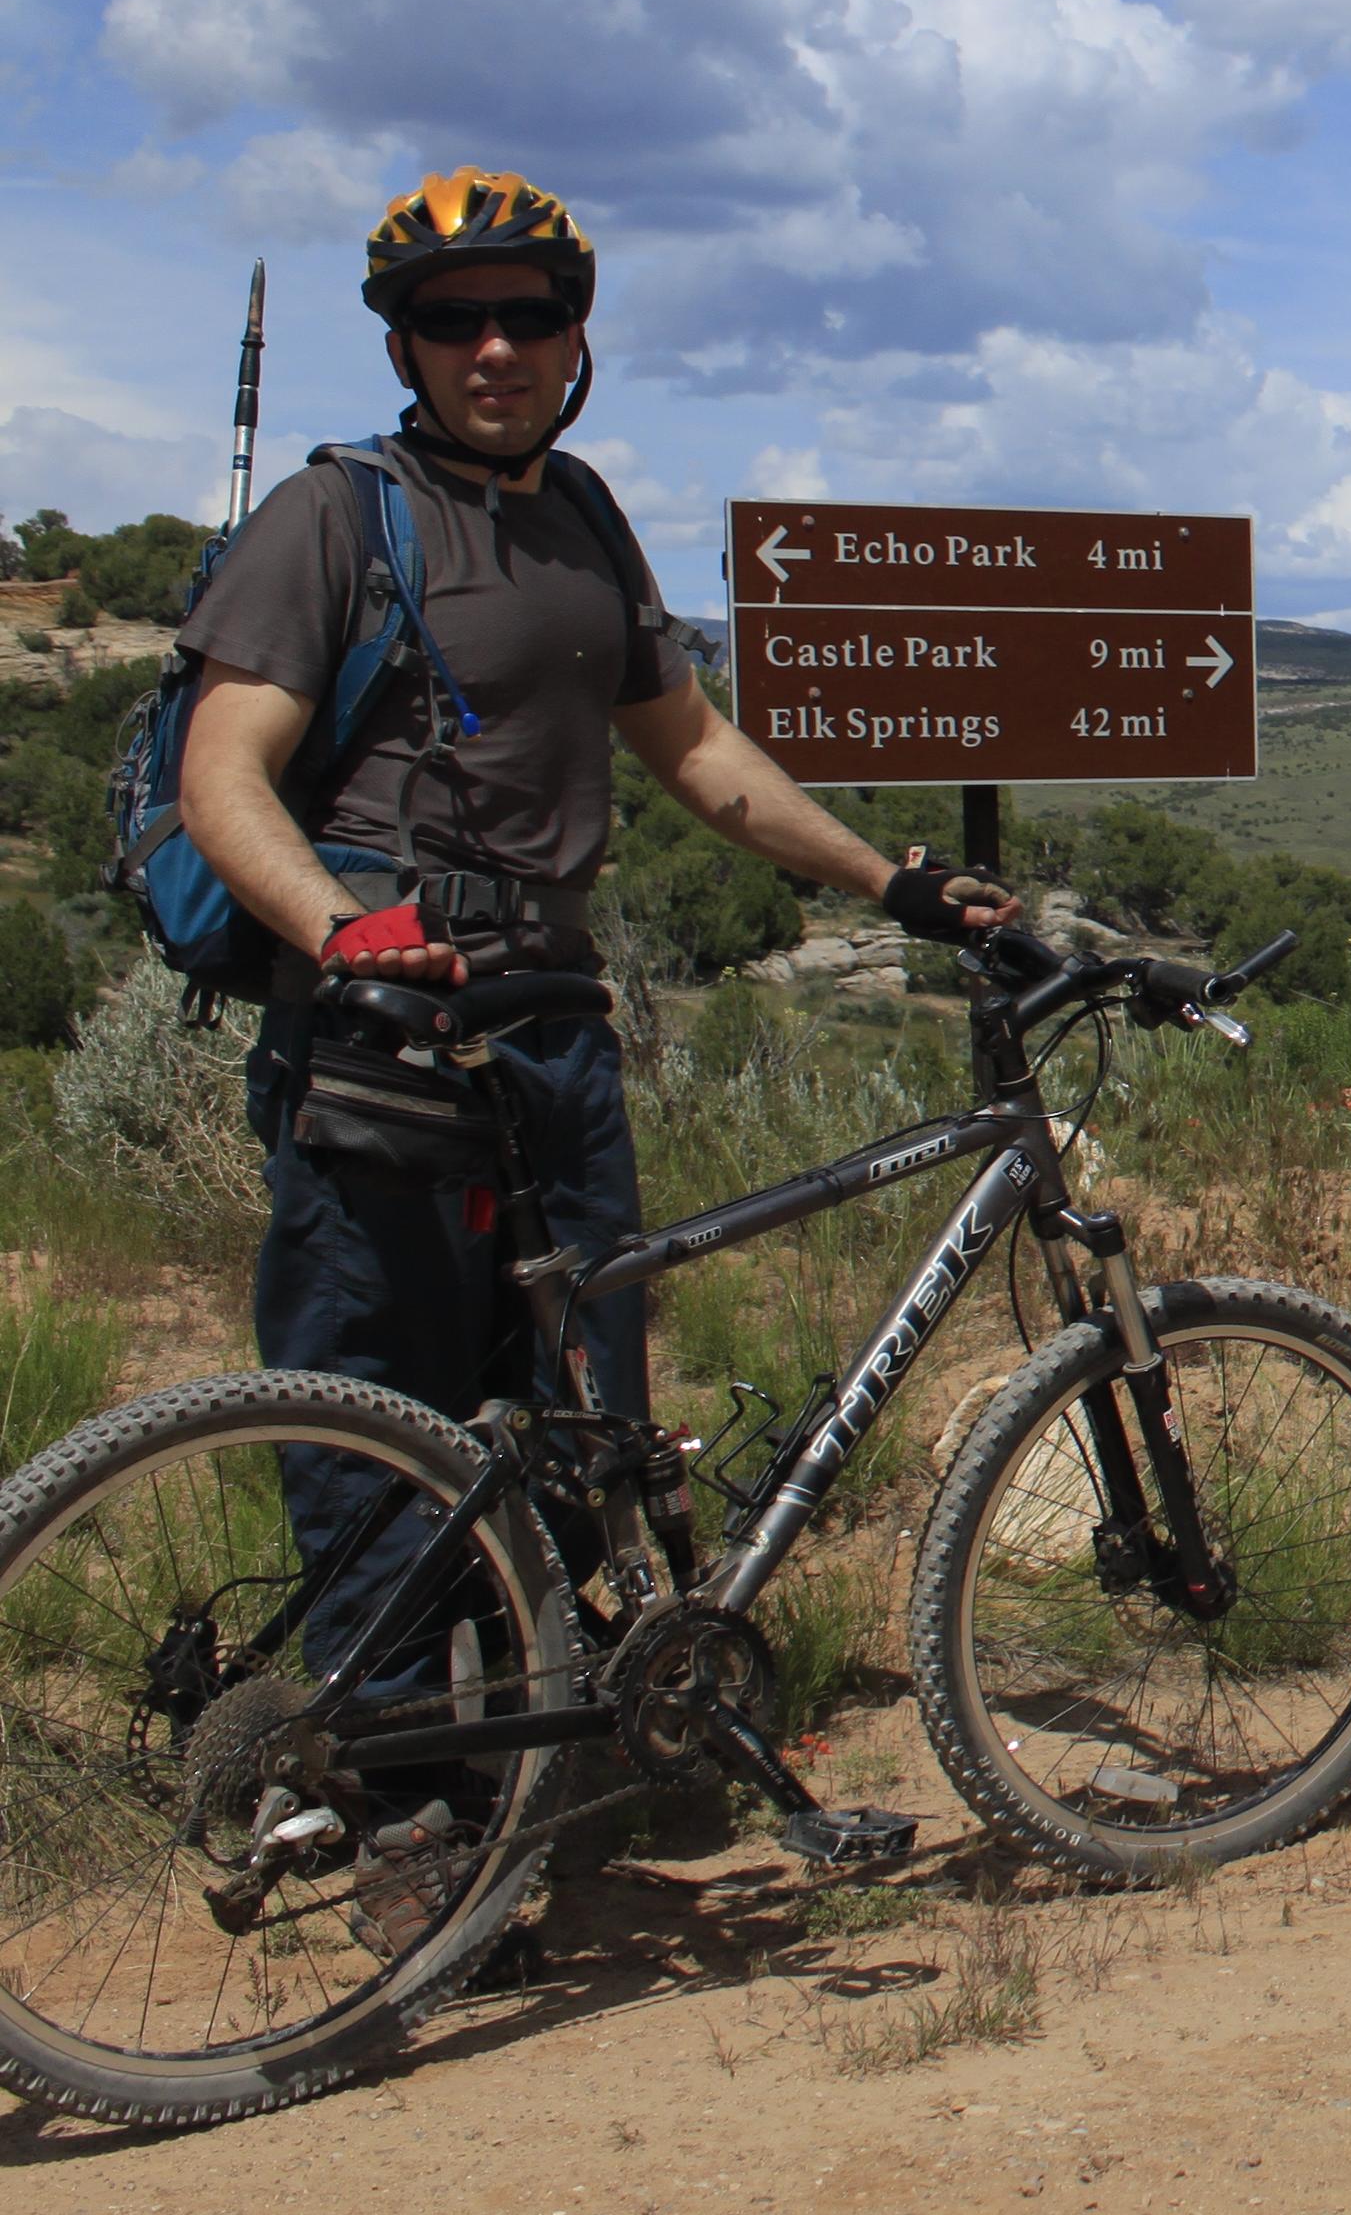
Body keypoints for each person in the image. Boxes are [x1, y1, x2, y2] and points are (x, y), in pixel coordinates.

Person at [178, 166, 1007, 1940]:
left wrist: (907, 884)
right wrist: (345, 931)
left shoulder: (581, 518)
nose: (494, 346)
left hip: (552, 1036)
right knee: (380, 1433)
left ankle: (550, 1763)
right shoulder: (339, 519)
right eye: (455, 318)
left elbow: (699, 757)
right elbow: (223, 774)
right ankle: (400, 1824)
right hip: (388, 1043)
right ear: (403, 339)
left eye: (528, 316)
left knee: (582, 1430)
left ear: (576, 339)